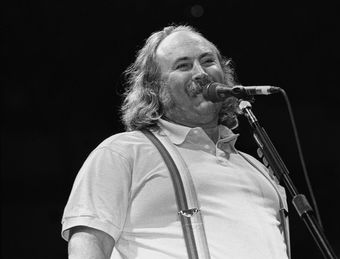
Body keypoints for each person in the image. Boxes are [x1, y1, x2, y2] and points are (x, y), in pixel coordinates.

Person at [61, 25, 290, 259]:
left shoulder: (258, 169)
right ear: (155, 88)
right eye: (183, 66)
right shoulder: (122, 153)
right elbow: (89, 246)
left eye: (208, 61)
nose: (201, 73)